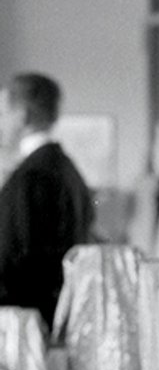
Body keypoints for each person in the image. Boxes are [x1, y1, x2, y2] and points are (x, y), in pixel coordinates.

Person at [0, 72, 93, 327]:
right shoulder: (67, 169)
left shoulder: (31, 177)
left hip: (26, 322)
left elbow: (16, 258)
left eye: (2, 114)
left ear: (21, 117)